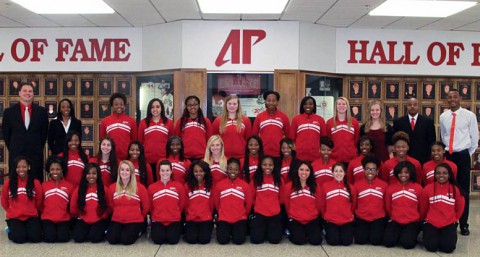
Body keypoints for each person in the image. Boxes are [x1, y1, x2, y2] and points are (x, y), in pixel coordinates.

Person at [440, 89, 478, 236]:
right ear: (447, 100)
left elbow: (474, 138)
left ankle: (463, 224)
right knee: (448, 190)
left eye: (455, 96)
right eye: (449, 97)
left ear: (460, 98)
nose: (452, 99)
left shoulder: (469, 116)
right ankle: (450, 220)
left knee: (463, 191)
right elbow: (443, 135)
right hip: (448, 156)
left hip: (462, 156)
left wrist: (466, 153)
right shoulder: (444, 116)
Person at [2, 82, 48, 181]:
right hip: (16, 154)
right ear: (19, 93)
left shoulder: (42, 112)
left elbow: (43, 135)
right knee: (16, 184)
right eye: (25, 91)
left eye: (30, 91)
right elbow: (6, 134)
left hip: (35, 155)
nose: (28, 93)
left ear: (33, 94)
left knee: (36, 183)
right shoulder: (9, 112)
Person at [420, 163, 465, 253]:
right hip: (431, 222)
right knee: (430, 247)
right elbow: (423, 207)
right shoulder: (427, 189)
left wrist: (454, 219)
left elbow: (460, 208)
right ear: (435, 174)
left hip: (449, 222)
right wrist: (425, 219)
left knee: (448, 248)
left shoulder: (455, 189)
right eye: (438, 173)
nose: (441, 175)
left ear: (449, 175)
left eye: (445, 173)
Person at [107, 160, 150, 245]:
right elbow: (110, 205)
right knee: (112, 239)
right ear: (119, 171)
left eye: (127, 170)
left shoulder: (140, 188)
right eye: (122, 169)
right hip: (117, 219)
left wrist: (140, 216)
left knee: (126, 240)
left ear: (131, 172)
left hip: (134, 220)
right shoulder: (112, 188)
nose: (124, 172)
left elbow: (146, 207)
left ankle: (139, 231)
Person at [1, 156, 43, 243]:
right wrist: (11, 210)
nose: (21, 169)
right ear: (15, 168)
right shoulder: (8, 183)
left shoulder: (35, 182)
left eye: (24, 167)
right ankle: (10, 229)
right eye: (18, 167)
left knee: (35, 238)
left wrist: (32, 209)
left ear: (28, 167)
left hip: (31, 216)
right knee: (19, 239)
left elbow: (39, 200)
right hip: (15, 217)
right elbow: (4, 201)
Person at [213, 158, 253, 245]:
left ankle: (234, 231)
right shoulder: (219, 185)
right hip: (224, 218)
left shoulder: (245, 185)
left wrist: (243, 214)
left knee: (239, 241)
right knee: (222, 241)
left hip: (239, 219)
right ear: (227, 169)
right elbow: (216, 203)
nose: (233, 171)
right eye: (230, 169)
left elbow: (249, 204)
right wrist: (221, 213)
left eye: (236, 169)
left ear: (239, 171)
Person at [282, 160, 322, 245]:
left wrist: (313, 215)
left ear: (310, 172)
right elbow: (287, 203)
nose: (304, 172)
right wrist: (292, 215)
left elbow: (318, 204)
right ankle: (293, 231)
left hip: (311, 219)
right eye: (301, 169)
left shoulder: (315, 186)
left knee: (316, 241)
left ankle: (306, 232)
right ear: (297, 170)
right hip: (295, 219)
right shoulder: (289, 186)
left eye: (307, 170)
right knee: (299, 240)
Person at [384, 161, 422, 249]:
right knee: (388, 242)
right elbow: (388, 207)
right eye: (400, 172)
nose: (403, 175)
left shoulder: (418, 188)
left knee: (407, 244)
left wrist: (417, 219)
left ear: (411, 173)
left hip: (412, 222)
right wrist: (394, 216)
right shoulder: (391, 188)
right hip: (395, 221)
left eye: (406, 172)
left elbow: (422, 207)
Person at [70, 163, 112, 243]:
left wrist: (104, 216)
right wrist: (80, 216)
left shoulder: (105, 189)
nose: (91, 176)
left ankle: (103, 229)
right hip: (83, 219)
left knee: (95, 238)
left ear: (98, 175)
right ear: (84, 175)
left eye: (94, 173)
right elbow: (73, 208)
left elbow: (110, 206)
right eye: (88, 173)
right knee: (78, 238)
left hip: (99, 219)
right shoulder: (78, 190)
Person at [148, 160, 186, 244]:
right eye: (162, 170)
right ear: (159, 171)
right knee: (158, 240)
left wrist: (175, 214)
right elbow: (150, 205)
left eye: (167, 170)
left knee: (173, 240)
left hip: (174, 219)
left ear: (171, 171)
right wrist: (155, 215)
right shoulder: (152, 187)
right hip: (158, 220)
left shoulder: (179, 186)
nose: (165, 173)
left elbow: (181, 203)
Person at [319, 163, 356, 246]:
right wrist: (325, 216)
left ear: (345, 173)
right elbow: (322, 204)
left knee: (347, 242)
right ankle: (327, 230)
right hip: (331, 220)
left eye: (341, 171)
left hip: (346, 220)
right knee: (333, 241)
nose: (338, 173)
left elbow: (353, 205)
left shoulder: (351, 187)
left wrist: (349, 215)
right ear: (332, 173)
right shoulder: (325, 186)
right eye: (336, 171)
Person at [353, 155, 387, 245]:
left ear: (377, 171)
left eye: (373, 169)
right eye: (368, 169)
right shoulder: (357, 185)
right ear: (364, 170)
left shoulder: (384, 185)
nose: (370, 172)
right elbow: (354, 204)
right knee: (360, 240)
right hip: (361, 217)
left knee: (375, 241)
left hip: (378, 218)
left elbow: (386, 204)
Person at [249, 156, 283, 244]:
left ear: (274, 166)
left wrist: (274, 206)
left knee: (275, 240)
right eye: (264, 164)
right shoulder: (255, 179)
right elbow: (251, 196)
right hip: (260, 213)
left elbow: (282, 198)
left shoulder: (279, 180)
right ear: (260, 165)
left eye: (270, 165)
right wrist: (258, 205)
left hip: (274, 214)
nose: (267, 167)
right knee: (256, 240)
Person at [41, 157, 75, 243]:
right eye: (52, 169)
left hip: (63, 218)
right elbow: (39, 203)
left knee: (63, 239)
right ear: (49, 170)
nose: (55, 172)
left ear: (62, 170)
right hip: (47, 218)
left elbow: (72, 205)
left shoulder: (70, 186)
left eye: (57, 169)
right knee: (49, 239)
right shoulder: (44, 185)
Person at [393, 97, 436, 165]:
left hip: (423, 158)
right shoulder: (398, 122)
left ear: (418, 106)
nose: (412, 107)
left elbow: (432, 141)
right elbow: (395, 141)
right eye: (410, 105)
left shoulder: (428, 122)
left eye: (415, 105)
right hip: (404, 158)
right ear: (406, 106)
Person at [138, 98, 174, 178]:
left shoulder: (169, 123)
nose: (155, 109)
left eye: (157, 107)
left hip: (164, 160)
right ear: (149, 109)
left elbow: (171, 142)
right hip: (147, 160)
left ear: (161, 108)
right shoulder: (143, 123)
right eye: (152, 107)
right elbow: (140, 142)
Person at [252, 91, 290, 157]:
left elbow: (289, 136)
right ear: (265, 101)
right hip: (263, 153)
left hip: (279, 153)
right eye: (269, 100)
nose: (271, 103)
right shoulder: (259, 116)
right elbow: (254, 136)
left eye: (273, 101)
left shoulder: (283, 116)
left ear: (277, 102)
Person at [212, 95, 252, 159]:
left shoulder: (245, 120)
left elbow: (249, 140)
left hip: (241, 157)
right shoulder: (218, 121)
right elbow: (213, 140)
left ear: (238, 105)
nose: (232, 106)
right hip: (223, 157)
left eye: (234, 104)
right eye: (229, 103)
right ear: (225, 105)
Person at [100, 93, 137, 160]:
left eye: (121, 104)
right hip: (110, 157)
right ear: (112, 106)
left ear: (124, 105)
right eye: (116, 104)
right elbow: (103, 140)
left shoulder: (131, 121)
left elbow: (134, 140)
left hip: (127, 158)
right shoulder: (105, 121)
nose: (119, 106)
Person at [184, 161, 214, 244]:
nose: (198, 174)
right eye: (196, 171)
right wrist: (189, 215)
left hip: (206, 218)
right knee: (191, 240)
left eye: (201, 171)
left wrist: (208, 215)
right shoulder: (187, 186)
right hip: (191, 218)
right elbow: (185, 204)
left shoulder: (211, 185)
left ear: (205, 172)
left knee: (204, 240)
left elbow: (212, 204)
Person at [174, 96, 212, 161]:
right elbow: (177, 140)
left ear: (199, 105)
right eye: (189, 105)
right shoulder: (180, 121)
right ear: (186, 107)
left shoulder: (206, 121)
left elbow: (210, 140)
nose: (192, 107)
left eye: (195, 104)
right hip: (185, 157)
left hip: (202, 157)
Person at [290, 96, 327, 162]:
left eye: (310, 104)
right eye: (305, 104)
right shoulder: (296, 119)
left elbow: (324, 138)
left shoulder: (320, 120)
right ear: (302, 106)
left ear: (314, 106)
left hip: (316, 156)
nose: (308, 106)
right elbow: (292, 138)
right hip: (299, 156)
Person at [326, 97, 359, 163]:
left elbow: (356, 140)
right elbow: (328, 142)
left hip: (351, 159)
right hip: (334, 159)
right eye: (339, 104)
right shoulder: (329, 122)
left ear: (347, 106)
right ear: (336, 106)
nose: (341, 106)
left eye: (344, 104)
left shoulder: (354, 122)